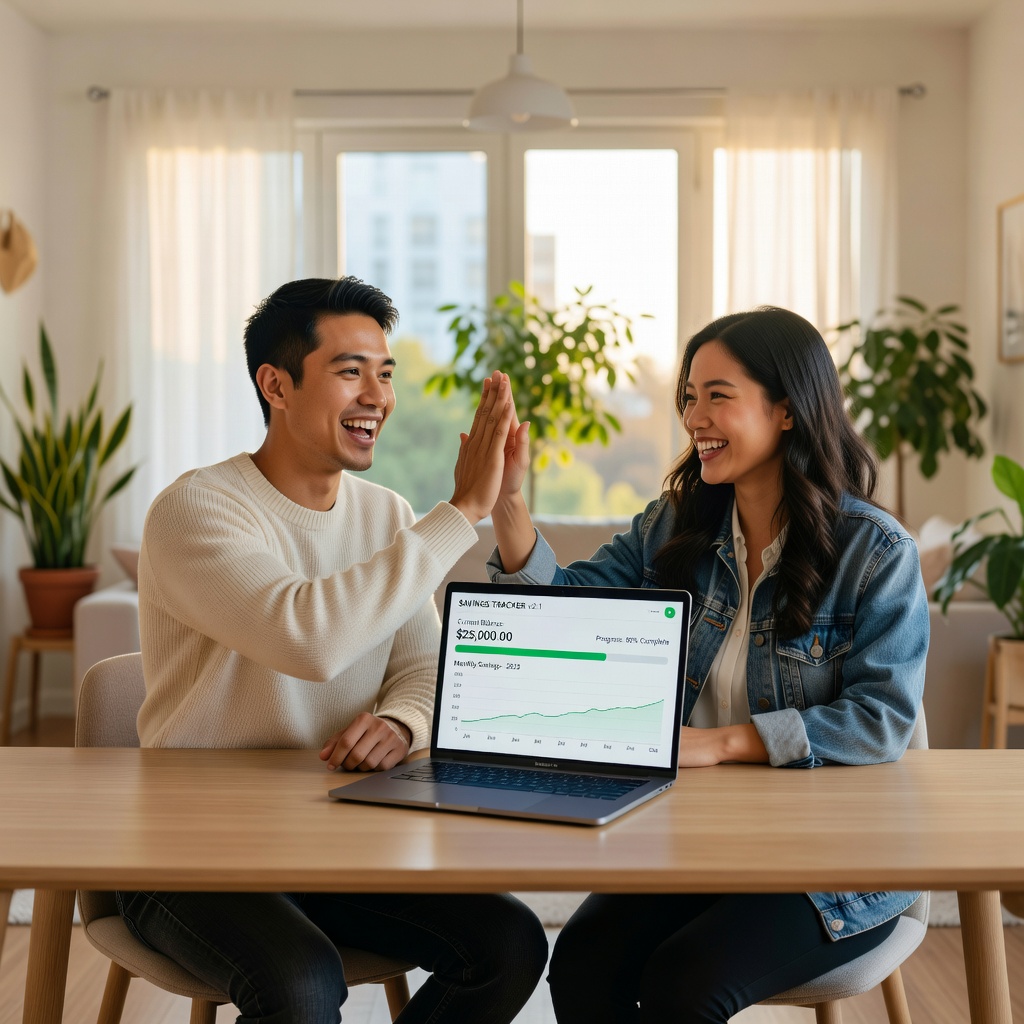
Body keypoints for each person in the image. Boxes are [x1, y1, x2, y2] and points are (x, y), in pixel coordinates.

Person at [472, 306, 929, 1024]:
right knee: (584, 964)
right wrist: (506, 500)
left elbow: (882, 720)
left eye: (718, 394)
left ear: (785, 409)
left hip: (831, 865)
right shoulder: (675, 525)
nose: (695, 416)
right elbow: (561, 610)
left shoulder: (876, 552)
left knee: (687, 982)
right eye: (689, 395)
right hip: (694, 844)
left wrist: (721, 744)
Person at [117, 277, 548, 1024]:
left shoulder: (387, 516)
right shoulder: (195, 510)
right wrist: (465, 513)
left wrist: (406, 722)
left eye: (385, 373)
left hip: (333, 837)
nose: (376, 395)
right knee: (302, 980)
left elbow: (425, 664)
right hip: (189, 854)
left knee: (509, 942)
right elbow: (306, 636)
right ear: (275, 384)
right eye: (350, 371)